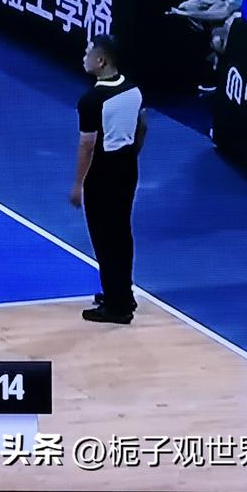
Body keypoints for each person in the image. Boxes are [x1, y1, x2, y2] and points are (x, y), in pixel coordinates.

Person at [71, 35, 146, 325]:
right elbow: (142, 126)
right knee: (122, 233)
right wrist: (132, 153)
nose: (84, 56)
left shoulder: (91, 101)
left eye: (88, 52)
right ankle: (122, 293)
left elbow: (87, 146)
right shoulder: (133, 89)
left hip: (103, 173)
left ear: (100, 61)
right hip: (128, 168)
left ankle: (117, 307)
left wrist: (78, 184)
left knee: (105, 238)